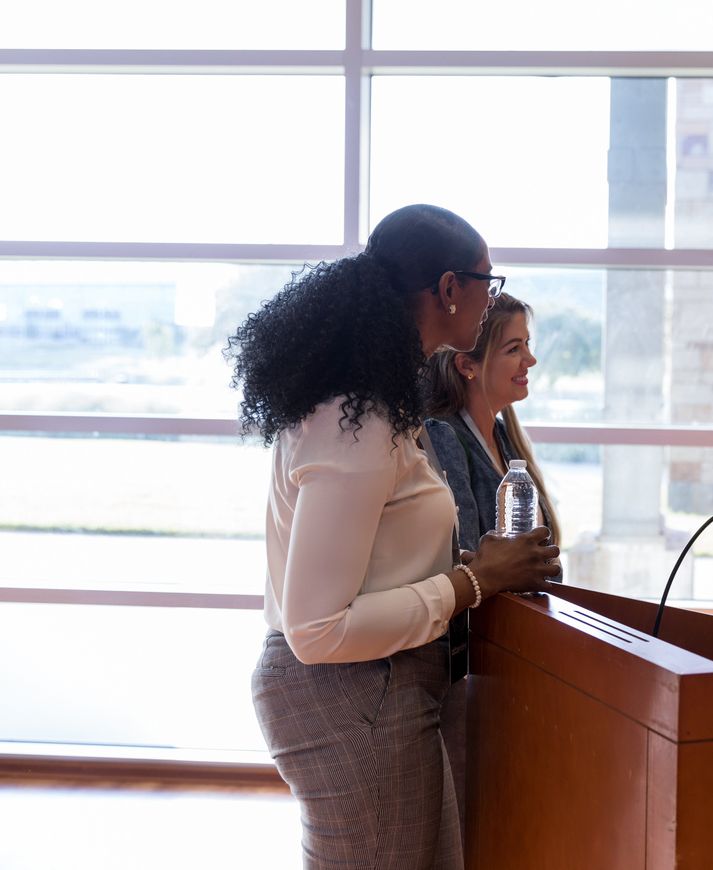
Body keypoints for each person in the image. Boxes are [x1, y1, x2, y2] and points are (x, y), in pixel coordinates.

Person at [229, 204, 560, 870]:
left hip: (382, 689)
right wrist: (474, 581)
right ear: (447, 289)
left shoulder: (379, 403)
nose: (490, 297)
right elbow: (317, 629)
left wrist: (475, 568)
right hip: (349, 696)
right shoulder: (358, 424)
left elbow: (383, 562)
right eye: (485, 282)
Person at [422, 292, 562, 554]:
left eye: (527, 343)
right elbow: (465, 560)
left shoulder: (503, 434)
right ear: (466, 365)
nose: (530, 360)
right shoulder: (445, 436)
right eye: (513, 349)